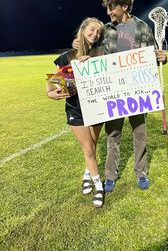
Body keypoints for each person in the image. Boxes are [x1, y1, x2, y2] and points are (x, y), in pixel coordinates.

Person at [73, 0, 167, 193]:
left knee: (140, 133)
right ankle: (110, 175)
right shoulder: (106, 30)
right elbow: (89, 45)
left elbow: (152, 55)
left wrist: (162, 57)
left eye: (111, 8)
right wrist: (80, 47)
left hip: (138, 91)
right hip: (114, 92)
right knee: (112, 134)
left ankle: (141, 173)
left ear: (124, 6)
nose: (108, 12)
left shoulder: (142, 28)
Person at [47, 17, 105, 207]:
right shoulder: (67, 56)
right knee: (88, 148)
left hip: (97, 108)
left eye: (98, 32)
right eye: (91, 29)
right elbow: (54, 81)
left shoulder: (101, 53)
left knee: (93, 146)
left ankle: (87, 174)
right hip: (75, 110)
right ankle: (99, 187)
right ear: (83, 29)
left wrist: (92, 63)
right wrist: (50, 92)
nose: (94, 34)